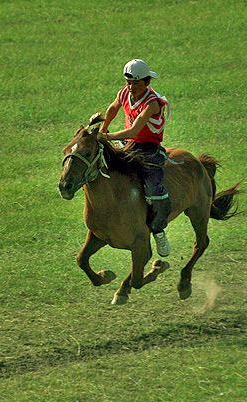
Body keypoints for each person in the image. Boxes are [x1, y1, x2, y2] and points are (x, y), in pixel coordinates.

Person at [97, 59, 172, 257]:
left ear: (147, 82)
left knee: (154, 189)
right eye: (128, 82)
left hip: (148, 148)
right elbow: (113, 109)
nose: (131, 87)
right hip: (127, 144)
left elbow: (134, 130)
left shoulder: (153, 103)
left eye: (136, 83)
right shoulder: (124, 92)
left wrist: (106, 137)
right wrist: (103, 128)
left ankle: (158, 230)